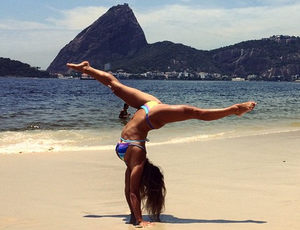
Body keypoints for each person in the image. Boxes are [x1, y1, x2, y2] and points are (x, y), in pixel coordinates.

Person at [67, 61, 257, 227]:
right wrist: (139, 220)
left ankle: (88, 68)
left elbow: (130, 190)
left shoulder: (132, 161)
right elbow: (133, 191)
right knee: (193, 112)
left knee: (115, 86)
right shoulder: (138, 157)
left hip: (148, 109)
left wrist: (136, 217)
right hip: (151, 115)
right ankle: (234, 110)